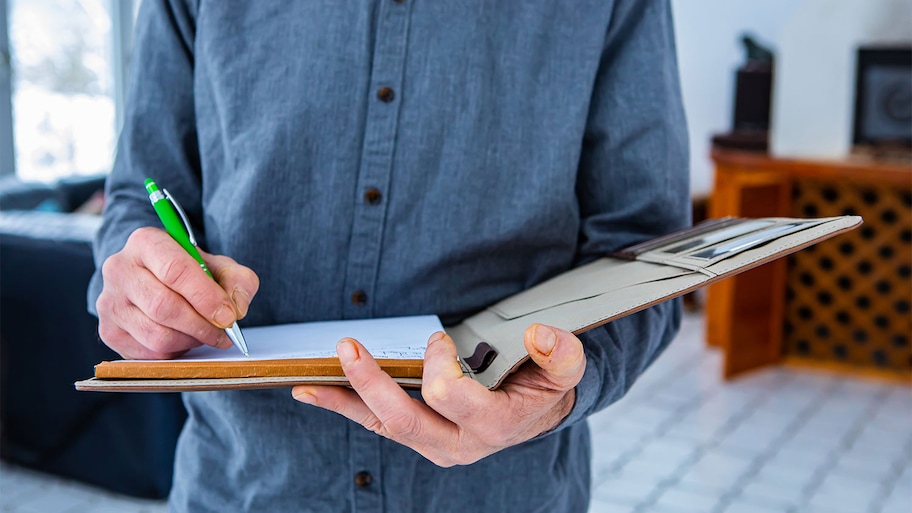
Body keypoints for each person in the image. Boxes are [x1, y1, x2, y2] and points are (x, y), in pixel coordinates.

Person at [88, 0, 690, 511]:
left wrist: (561, 391)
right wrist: (137, 284)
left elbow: (646, 246)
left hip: (505, 490)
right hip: (243, 485)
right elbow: (140, 198)